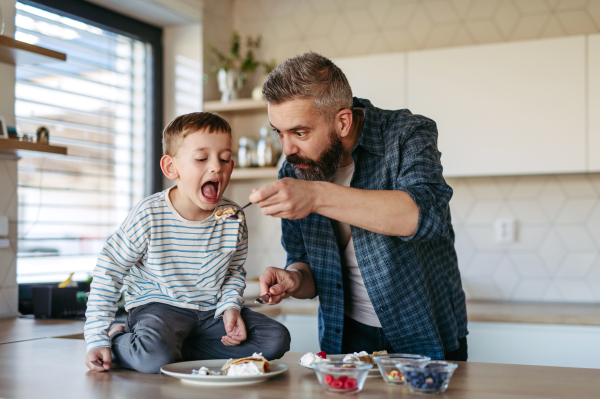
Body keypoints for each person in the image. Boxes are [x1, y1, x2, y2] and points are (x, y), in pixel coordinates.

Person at [251, 52, 468, 361]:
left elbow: (424, 217)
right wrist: (295, 278)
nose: (287, 150)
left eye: (300, 132)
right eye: (279, 132)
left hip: (424, 332)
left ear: (343, 121)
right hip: (344, 336)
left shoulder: (407, 134)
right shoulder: (294, 169)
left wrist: (315, 196)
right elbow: (303, 263)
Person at [84, 112, 290, 373]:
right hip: (159, 308)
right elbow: (108, 271)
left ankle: (174, 350)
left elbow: (233, 273)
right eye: (202, 158)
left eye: (225, 158)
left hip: (210, 314)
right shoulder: (149, 214)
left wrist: (229, 308)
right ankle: (120, 339)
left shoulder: (234, 218)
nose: (217, 167)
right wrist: (97, 337)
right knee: (152, 357)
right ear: (172, 168)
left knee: (275, 339)